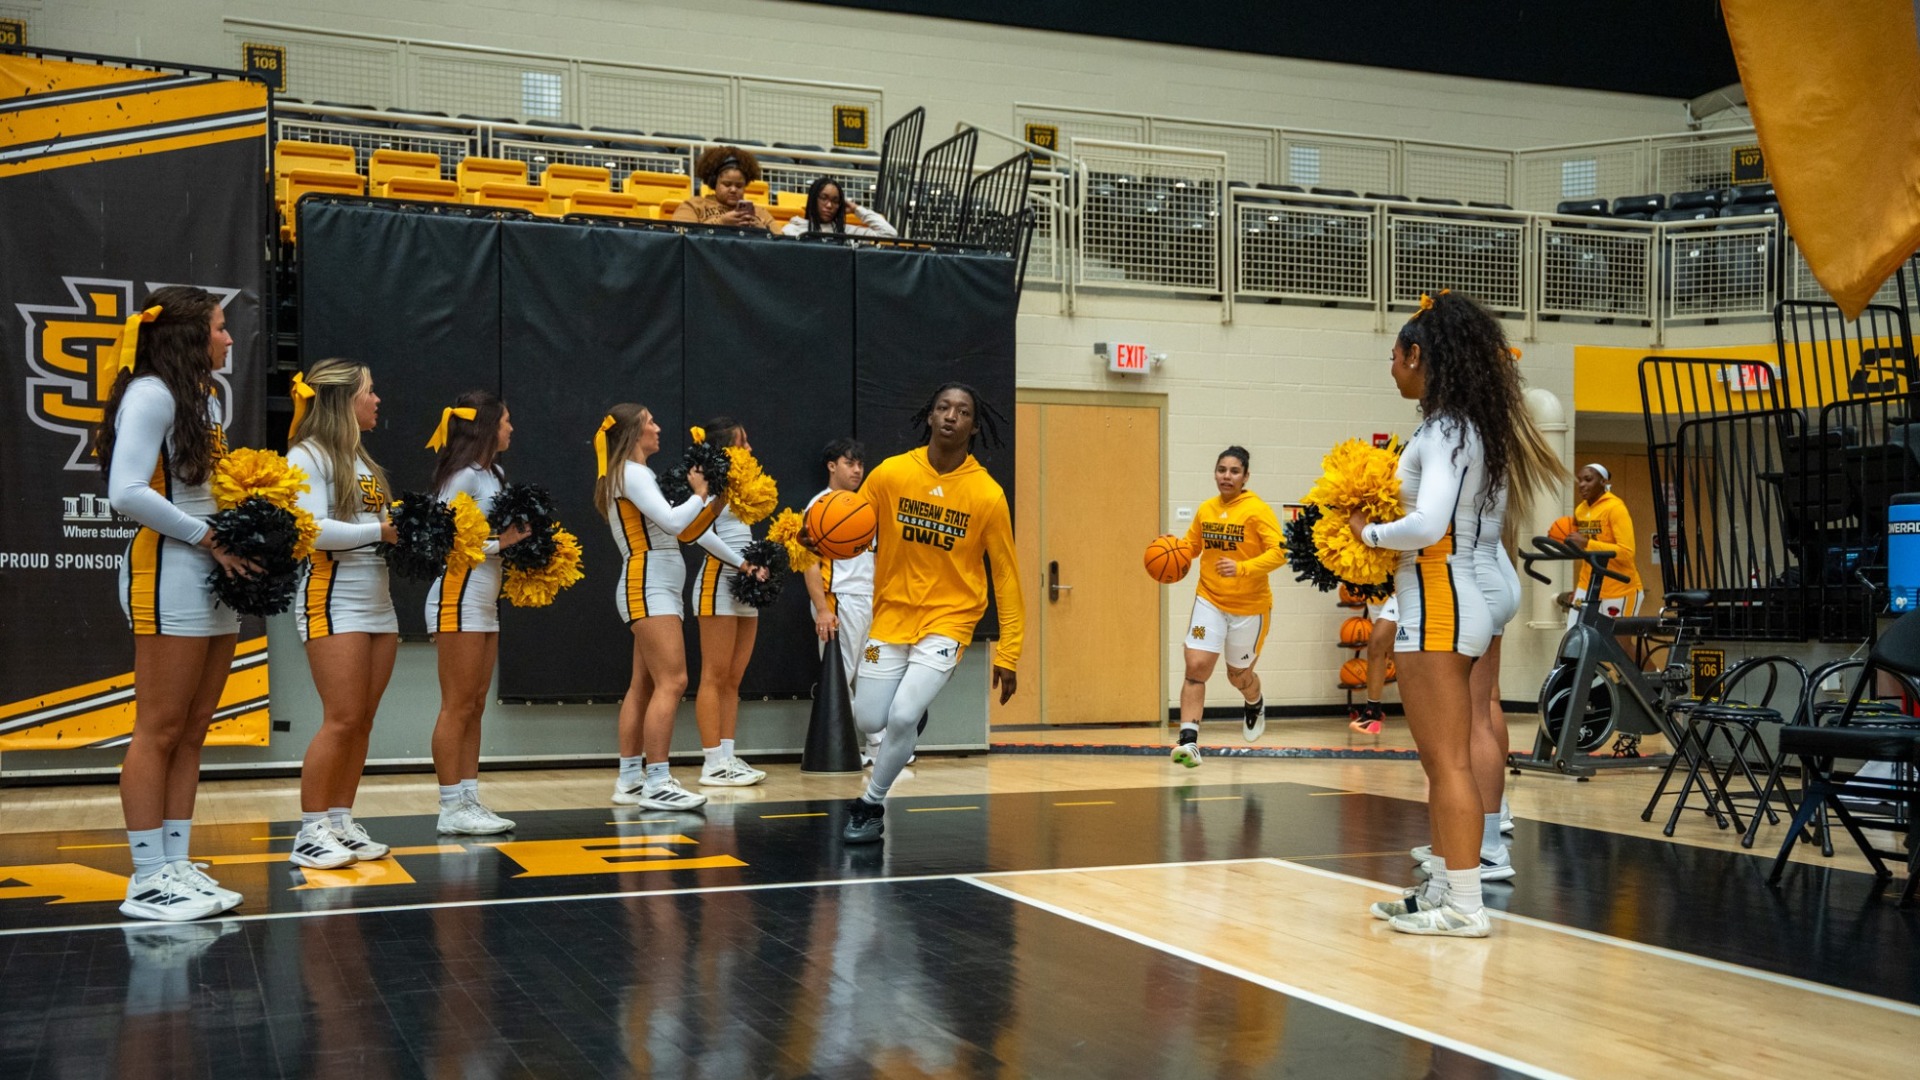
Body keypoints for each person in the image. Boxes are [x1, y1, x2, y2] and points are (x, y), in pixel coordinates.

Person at [1350, 290, 1548, 938]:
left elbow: (1429, 523)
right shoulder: (1466, 426)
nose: (1391, 367)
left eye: (1394, 355)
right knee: (1445, 762)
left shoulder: (1444, 431)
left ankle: (1464, 906)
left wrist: (1367, 533)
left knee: (1448, 763)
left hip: (1438, 599)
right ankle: (1442, 885)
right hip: (1452, 596)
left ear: (1417, 355)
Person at [97, 285, 251, 921]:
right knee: (159, 727)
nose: (229, 338)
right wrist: (208, 536)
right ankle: (146, 878)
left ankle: (176, 862)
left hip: (215, 570)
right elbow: (125, 492)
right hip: (168, 568)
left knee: (193, 728)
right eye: (219, 327)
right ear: (190, 335)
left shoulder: (202, 399)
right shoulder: (151, 393)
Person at [841, 383, 1024, 843]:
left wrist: (1009, 652)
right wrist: (818, 539)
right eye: (943, 407)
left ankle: (871, 805)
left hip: (949, 621)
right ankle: (910, 714)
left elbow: (1006, 576)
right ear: (929, 416)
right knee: (869, 720)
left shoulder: (987, 494)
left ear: (974, 427)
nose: (950, 416)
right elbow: (850, 526)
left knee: (901, 716)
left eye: (962, 411)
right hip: (891, 616)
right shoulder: (892, 474)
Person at [286, 359, 400, 870]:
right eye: (369, 392)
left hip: (378, 600)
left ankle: (339, 820)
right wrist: (380, 532)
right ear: (343, 400)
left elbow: (378, 526)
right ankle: (310, 831)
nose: (376, 401)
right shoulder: (307, 454)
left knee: (363, 720)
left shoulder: (360, 459)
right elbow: (310, 529)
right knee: (342, 718)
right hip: (333, 597)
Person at [595, 404, 716, 810]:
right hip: (648, 585)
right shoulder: (632, 473)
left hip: (651, 585)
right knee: (674, 681)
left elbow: (683, 528)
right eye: (650, 422)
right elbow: (674, 523)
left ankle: (631, 779)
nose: (658, 428)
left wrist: (710, 500)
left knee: (644, 685)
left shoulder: (630, 474)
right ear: (633, 432)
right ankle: (658, 782)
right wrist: (699, 494)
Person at [423, 392, 531, 835]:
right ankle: (451, 806)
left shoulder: (495, 474)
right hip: (457, 595)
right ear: (487, 426)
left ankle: (469, 798)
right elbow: (438, 535)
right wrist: (499, 544)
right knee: (457, 704)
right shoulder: (461, 476)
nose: (511, 429)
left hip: (486, 599)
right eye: (505, 421)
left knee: (476, 703)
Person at [1170, 447, 1285, 767]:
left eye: (1234, 471)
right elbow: (1192, 547)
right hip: (1209, 601)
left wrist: (1243, 568)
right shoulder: (1206, 509)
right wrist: (1173, 549)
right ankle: (1188, 742)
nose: (1227, 476)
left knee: (1238, 676)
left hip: (1249, 608)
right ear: (1215, 473)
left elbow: (1279, 552)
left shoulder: (1256, 510)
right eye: (1222, 469)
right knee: (1196, 666)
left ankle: (1254, 701)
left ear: (1246, 476)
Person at [682, 418, 773, 787]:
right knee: (714, 676)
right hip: (717, 583)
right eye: (742, 442)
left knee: (734, 679)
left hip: (745, 585)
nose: (749, 448)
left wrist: (757, 564)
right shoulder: (710, 483)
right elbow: (699, 534)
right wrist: (741, 563)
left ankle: (728, 757)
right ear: (725, 449)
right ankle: (712, 763)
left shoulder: (742, 485)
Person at [804, 438, 886, 762]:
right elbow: (808, 562)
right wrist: (822, 609)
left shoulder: (865, 508)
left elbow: (876, 559)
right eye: (849, 463)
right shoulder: (818, 507)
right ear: (831, 466)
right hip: (839, 602)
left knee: (872, 672)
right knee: (841, 676)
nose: (857, 470)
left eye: (860, 464)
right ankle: (846, 750)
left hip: (869, 603)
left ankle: (878, 746)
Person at [1554, 463, 1643, 624]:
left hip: (1618, 588)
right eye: (1580, 480)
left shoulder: (1615, 508)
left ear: (1603, 481)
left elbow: (1627, 552)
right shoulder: (1580, 510)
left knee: (1614, 638)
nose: (1582, 484)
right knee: (1575, 634)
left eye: (1588, 479)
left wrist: (1587, 543)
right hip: (1587, 586)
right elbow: (1583, 547)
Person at [672, 145, 775, 230]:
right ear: (714, 182)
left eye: (739, 186)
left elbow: (781, 243)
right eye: (727, 184)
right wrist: (720, 223)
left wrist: (763, 231)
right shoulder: (693, 206)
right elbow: (682, 235)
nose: (733, 190)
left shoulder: (761, 213)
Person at [782, 177, 898, 238]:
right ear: (813, 199)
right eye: (823, 198)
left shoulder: (847, 232)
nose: (829, 205)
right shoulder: (792, 230)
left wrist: (855, 209)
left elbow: (889, 234)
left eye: (835, 201)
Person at [1352, 597, 1396, 735]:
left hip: (1398, 594)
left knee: (1376, 645)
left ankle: (1372, 711)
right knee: (1395, 653)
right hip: (1375, 597)